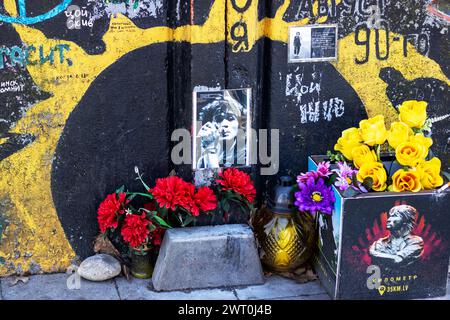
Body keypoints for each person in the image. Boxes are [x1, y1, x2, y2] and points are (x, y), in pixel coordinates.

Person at [196, 92, 246, 169]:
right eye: (219, 119)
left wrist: (210, 149)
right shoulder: (203, 154)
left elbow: (216, 178)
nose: (224, 124)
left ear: (239, 123)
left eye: (230, 118)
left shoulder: (246, 153)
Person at [369, 205, 424, 269]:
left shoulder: (416, 241)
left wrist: (374, 253)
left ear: (405, 221)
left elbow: (397, 260)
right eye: (390, 216)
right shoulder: (380, 242)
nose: (389, 219)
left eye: (395, 216)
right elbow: (378, 264)